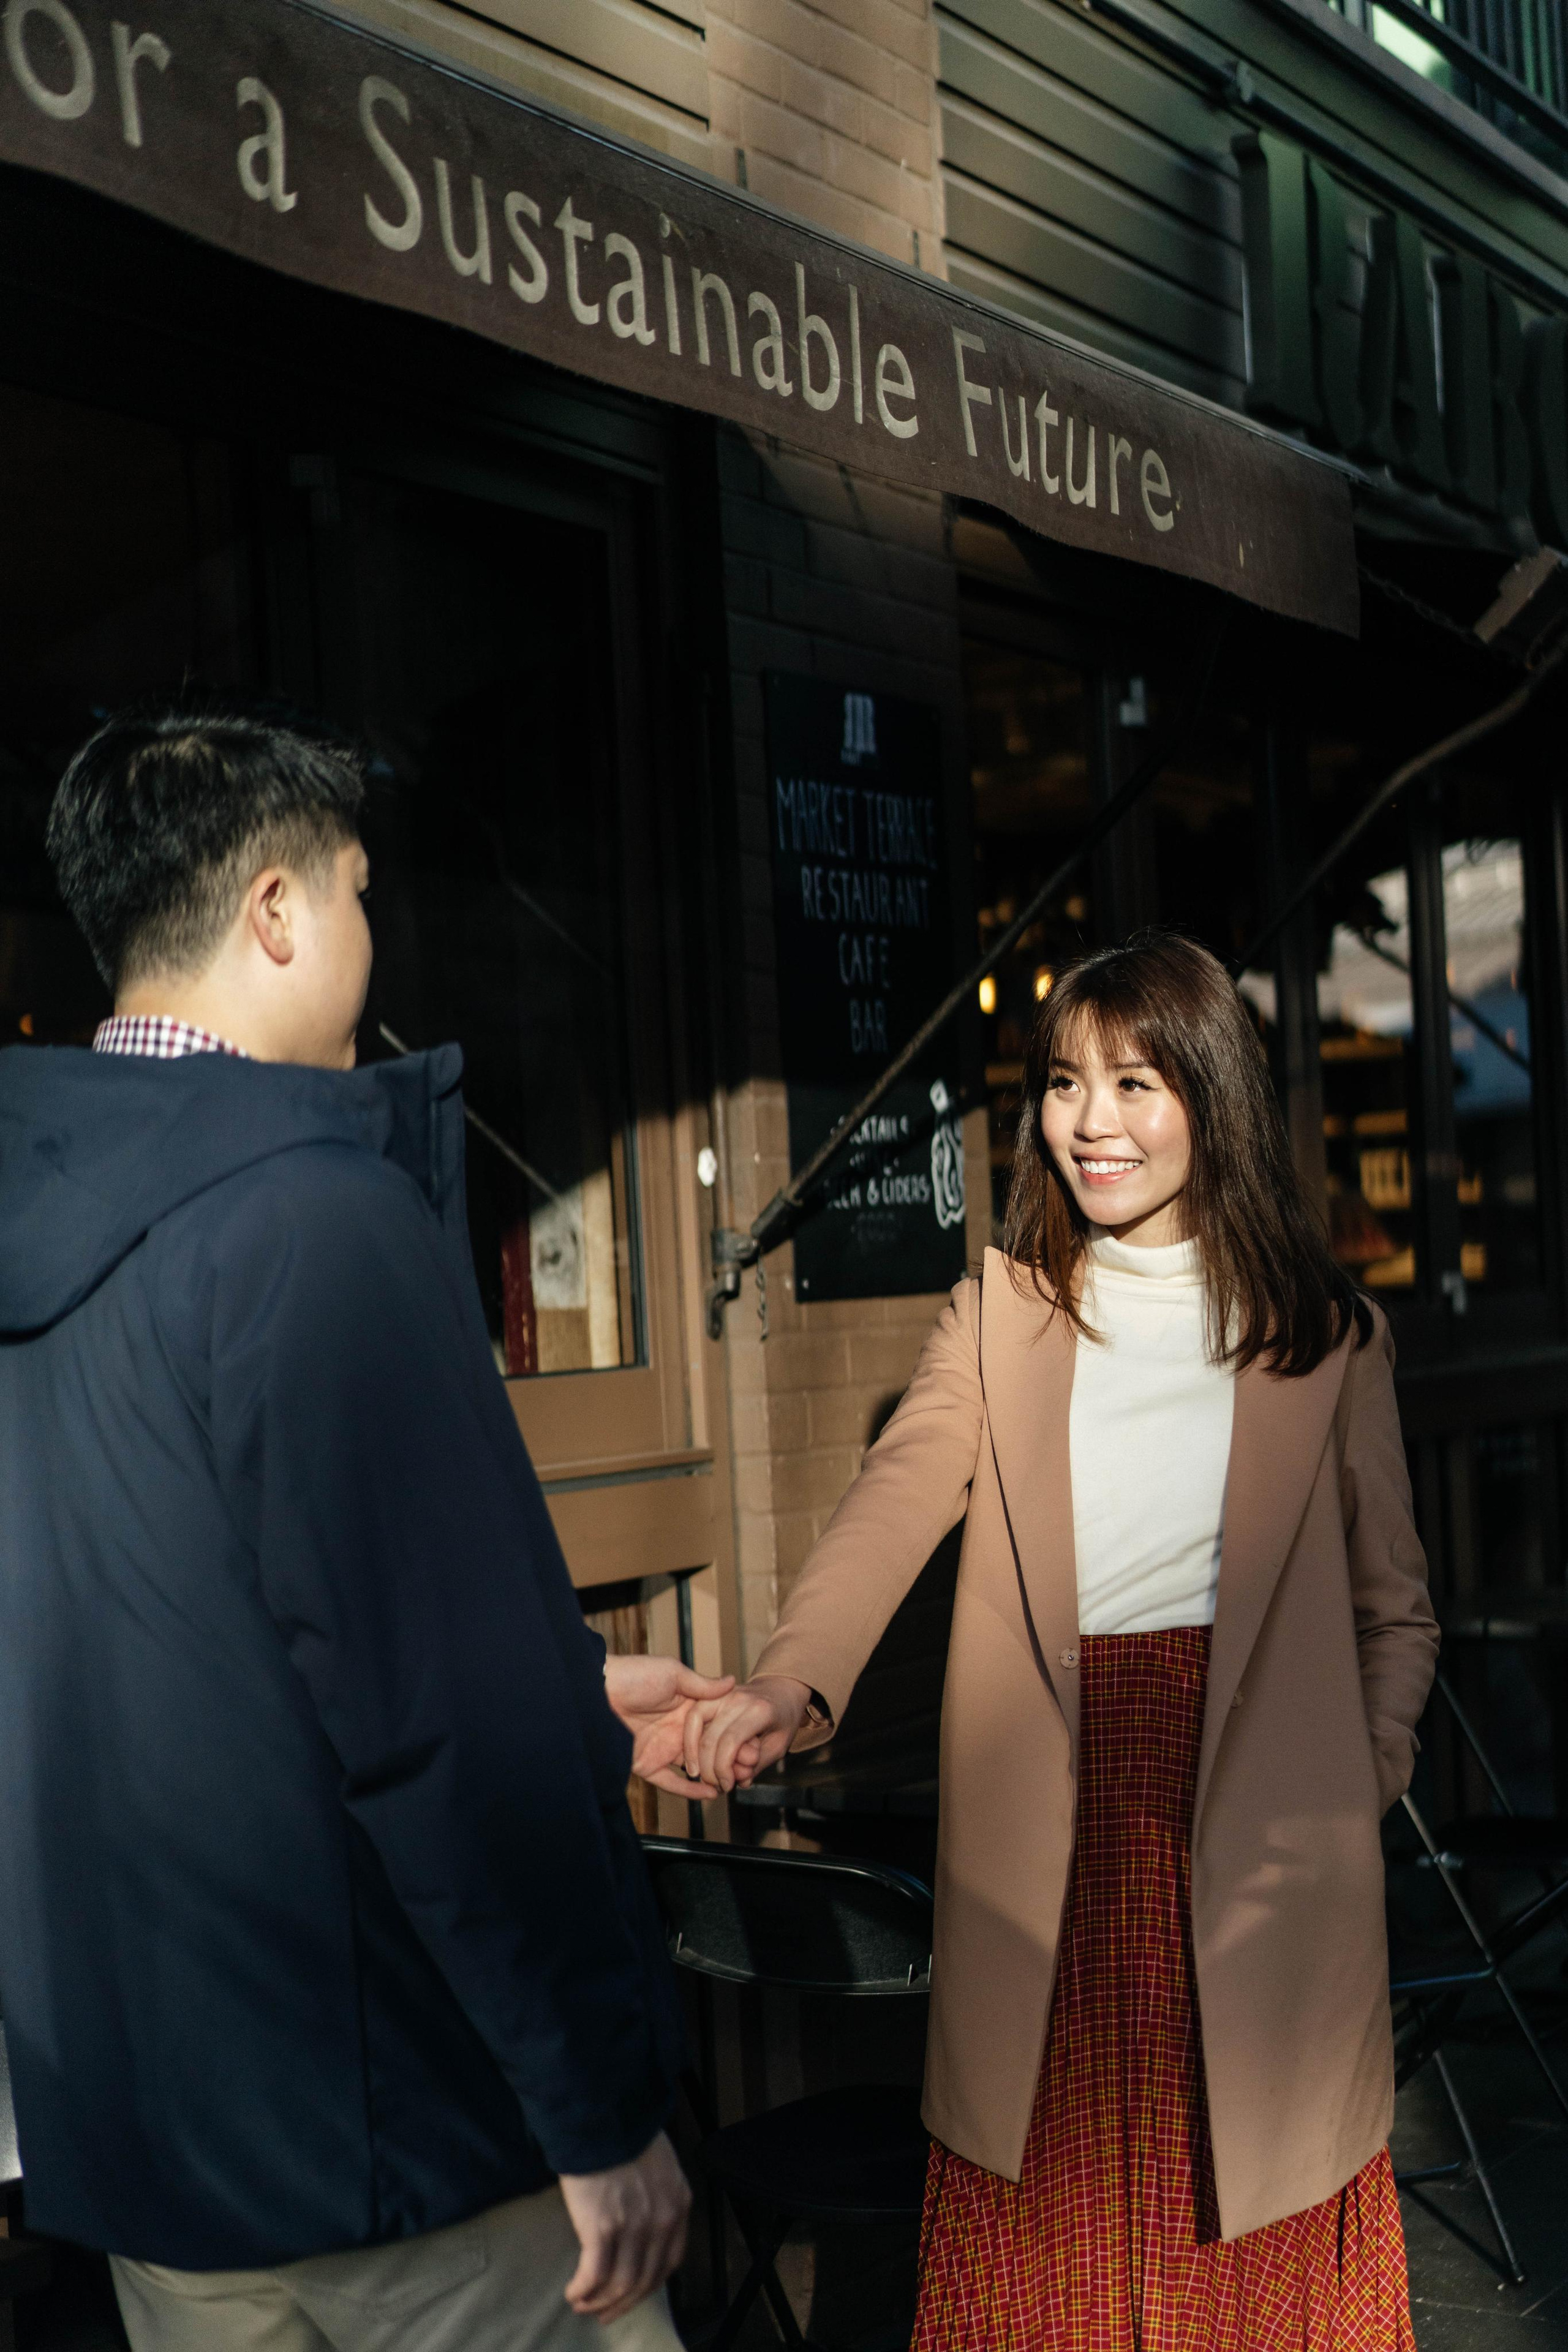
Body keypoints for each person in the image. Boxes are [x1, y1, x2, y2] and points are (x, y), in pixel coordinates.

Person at [0, 702, 731, 2352]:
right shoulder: (311, 1211)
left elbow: (159, 1639)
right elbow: (430, 1718)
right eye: (356, 888)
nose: (369, 930)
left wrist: (568, 1690)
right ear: (274, 911)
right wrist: (600, 2114)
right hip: (403, 2146)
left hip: (149, 2152)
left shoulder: (39, 1225)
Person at [689, 933, 1439, 2350]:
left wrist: (1363, 1774)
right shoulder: (1000, 1314)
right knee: (1055, 2245)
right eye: (1062, 1083)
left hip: (1268, 1829)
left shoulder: (1323, 1338)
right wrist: (792, 1680)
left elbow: (1389, 1609)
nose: (1089, 1122)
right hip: (1051, 1836)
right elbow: (887, 1508)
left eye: (1136, 1081)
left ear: (1211, 1096)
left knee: (1252, 2214)